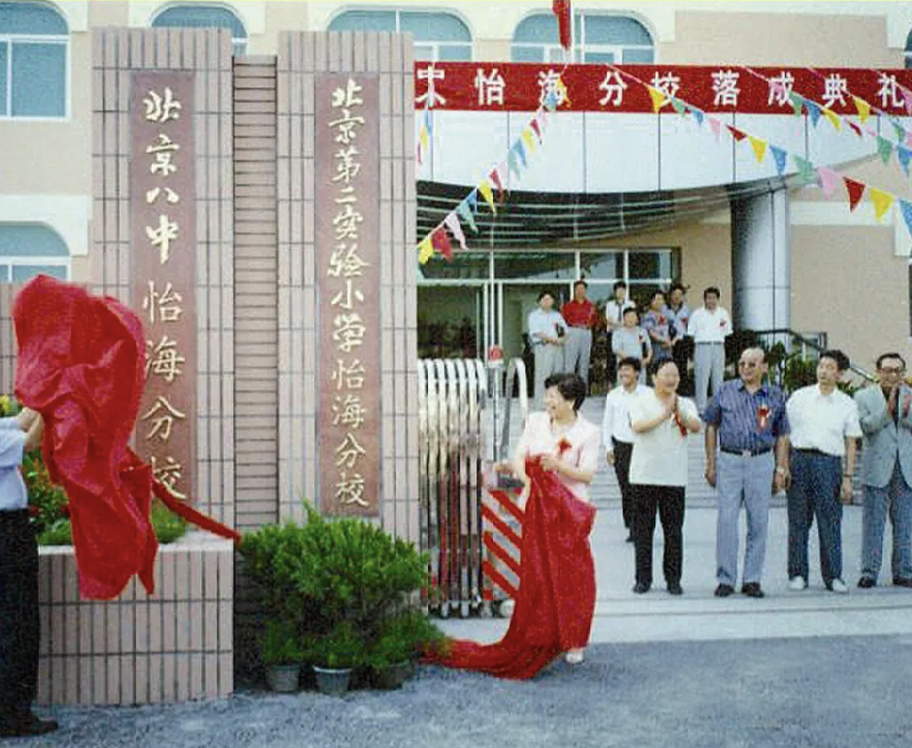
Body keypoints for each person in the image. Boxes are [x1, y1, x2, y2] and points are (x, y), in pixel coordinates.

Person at [428, 373, 600, 677]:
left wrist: (558, 466)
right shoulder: (535, 421)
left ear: (571, 401)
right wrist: (528, 479)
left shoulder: (589, 431)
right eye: (547, 395)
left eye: (553, 397)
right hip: (537, 508)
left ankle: (574, 638)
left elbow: (587, 474)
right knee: (539, 573)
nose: (547, 401)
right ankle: (543, 631)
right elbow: (519, 457)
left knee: (575, 574)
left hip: (569, 512)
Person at [704, 347, 790, 599]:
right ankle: (726, 578)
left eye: (752, 364)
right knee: (727, 521)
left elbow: (782, 434)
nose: (746, 368)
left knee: (758, 522)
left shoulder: (775, 395)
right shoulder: (725, 390)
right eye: (742, 363)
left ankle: (752, 579)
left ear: (764, 367)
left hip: (761, 461)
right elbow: (711, 426)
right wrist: (711, 463)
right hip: (730, 460)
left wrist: (780, 468)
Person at [0, 407, 58, 738]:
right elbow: (31, 441)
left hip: (12, 529)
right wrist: (53, 404)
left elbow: (22, 420)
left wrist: (43, 398)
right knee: (15, 620)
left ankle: (13, 710)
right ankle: (11, 715)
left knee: (16, 619)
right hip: (5, 532)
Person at [786, 350, 862, 593]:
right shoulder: (799, 397)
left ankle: (833, 576)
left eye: (830, 367)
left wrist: (848, 477)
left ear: (840, 374)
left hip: (829, 464)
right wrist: (783, 465)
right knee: (798, 521)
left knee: (830, 522)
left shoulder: (847, 404)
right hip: (799, 461)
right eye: (821, 366)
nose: (824, 371)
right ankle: (798, 573)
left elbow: (851, 442)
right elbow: (784, 434)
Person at [628, 360, 702, 595]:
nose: (671, 379)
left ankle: (673, 579)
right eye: (666, 374)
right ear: (654, 378)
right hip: (645, 476)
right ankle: (643, 579)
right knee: (643, 531)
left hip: (674, 476)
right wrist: (664, 415)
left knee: (673, 531)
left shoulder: (685, 403)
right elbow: (637, 426)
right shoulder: (640, 400)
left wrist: (680, 414)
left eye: (675, 375)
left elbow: (696, 426)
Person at [854, 353, 912, 588]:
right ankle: (869, 571)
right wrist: (887, 411)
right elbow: (865, 426)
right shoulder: (863, 396)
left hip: (905, 465)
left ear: (903, 373)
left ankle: (904, 571)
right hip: (876, 466)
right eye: (887, 370)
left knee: (905, 523)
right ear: (878, 372)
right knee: (873, 523)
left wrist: (905, 414)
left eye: (897, 371)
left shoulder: (910, 395)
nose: (892, 375)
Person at [602, 357, 648, 543]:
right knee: (626, 488)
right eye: (621, 370)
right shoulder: (613, 395)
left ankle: (639, 528)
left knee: (640, 488)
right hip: (621, 446)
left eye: (628, 370)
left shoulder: (647, 394)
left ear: (637, 373)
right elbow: (607, 423)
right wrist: (608, 447)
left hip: (641, 446)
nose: (623, 374)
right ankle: (630, 523)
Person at [687, 287, 732, 414]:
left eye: (714, 298)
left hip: (718, 346)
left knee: (718, 378)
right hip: (702, 346)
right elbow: (691, 333)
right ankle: (701, 409)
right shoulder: (697, 314)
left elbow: (727, 332)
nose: (711, 301)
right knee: (701, 378)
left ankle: (717, 408)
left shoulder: (723, 313)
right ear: (704, 299)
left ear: (718, 299)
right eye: (708, 298)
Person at [527, 290, 567, 402]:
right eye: (544, 299)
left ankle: (556, 401)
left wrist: (562, 339)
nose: (547, 301)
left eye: (549, 299)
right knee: (542, 376)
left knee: (557, 375)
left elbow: (565, 331)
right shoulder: (534, 315)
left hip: (557, 348)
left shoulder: (557, 315)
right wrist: (553, 340)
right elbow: (536, 332)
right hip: (543, 347)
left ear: (553, 301)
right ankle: (540, 403)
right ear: (539, 301)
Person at [561, 280, 598, 389]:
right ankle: (568, 388)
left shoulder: (591, 306)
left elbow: (595, 321)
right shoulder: (568, 306)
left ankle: (583, 389)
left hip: (586, 333)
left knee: (584, 363)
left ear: (585, 291)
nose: (580, 291)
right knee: (570, 363)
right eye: (578, 289)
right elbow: (563, 321)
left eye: (582, 289)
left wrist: (589, 325)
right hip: (572, 332)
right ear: (574, 290)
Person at [604, 281, 635, 389]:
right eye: (618, 290)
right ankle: (610, 386)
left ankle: (625, 384)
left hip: (627, 335)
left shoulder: (630, 304)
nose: (621, 292)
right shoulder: (609, 304)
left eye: (623, 290)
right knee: (611, 360)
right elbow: (609, 320)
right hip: (612, 334)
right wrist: (623, 324)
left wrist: (619, 324)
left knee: (625, 359)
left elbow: (632, 320)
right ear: (615, 292)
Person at [611, 307, 652, 384]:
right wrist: (632, 362)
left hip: (640, 366)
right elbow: (616, 349)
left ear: (637, 319)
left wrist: (647, 359)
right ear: (624, 319)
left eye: (633, 316)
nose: (630, 319)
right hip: (625, 366)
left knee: (640, 388)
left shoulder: (642, 331)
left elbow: (649, 348)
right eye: (628, 316)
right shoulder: (618, 332)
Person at [664, 283, 692, 395]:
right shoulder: (664, 309)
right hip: (665, 341)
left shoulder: (686, 310)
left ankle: (681, 390)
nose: (677, 297)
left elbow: (688, 327)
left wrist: (676, 339)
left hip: (681, 342)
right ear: (670, 295)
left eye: (680, 294)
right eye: (674, 294)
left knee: (681, 367)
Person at [641, 290, 673, 371]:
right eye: (657, 299)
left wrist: (670, 342)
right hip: (655, 349)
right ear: (651, 301)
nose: (659, 302)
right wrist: (664, 340)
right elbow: (650, 332)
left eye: (661, 299)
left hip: (667, 349)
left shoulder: (666, 314)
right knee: (656, 371)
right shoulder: (647, 315)